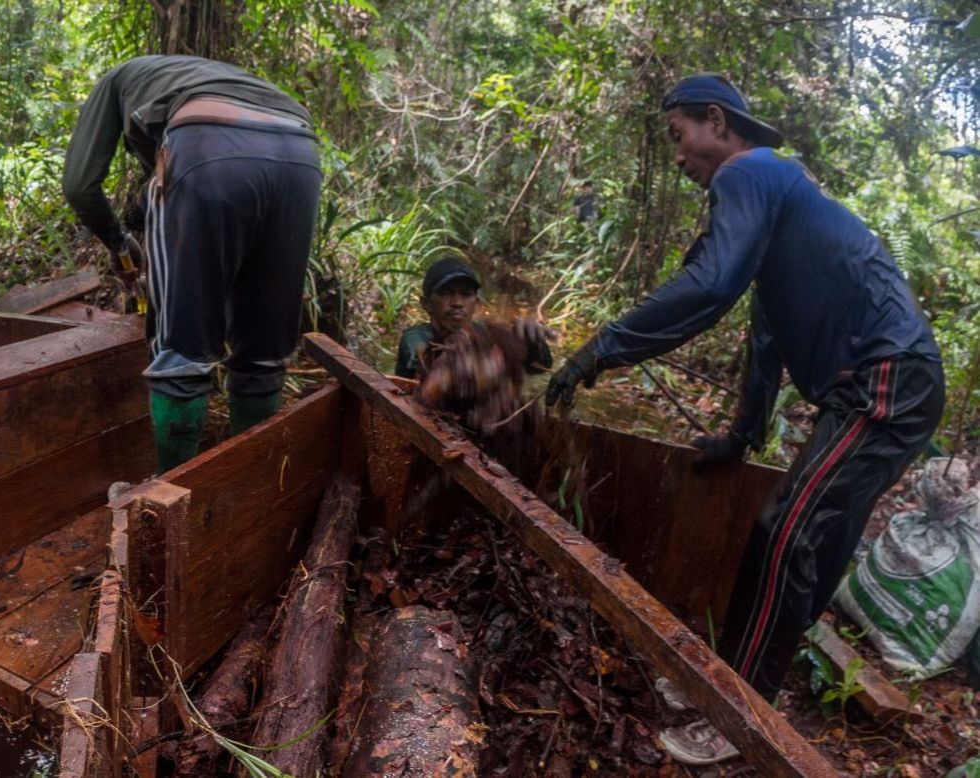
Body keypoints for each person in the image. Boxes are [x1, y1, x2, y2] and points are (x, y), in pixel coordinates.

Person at [544, 74, 944, 765]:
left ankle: (738, 713)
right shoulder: (777, 206)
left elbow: (709, 286)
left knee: (786, 532)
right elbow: (767, 344)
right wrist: (740, 435)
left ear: (716, 121)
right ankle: (731, 680)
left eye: (678, 137)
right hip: (883, 385)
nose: (678, 157)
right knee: (802, 539)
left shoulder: (750, 169)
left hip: (887, 381)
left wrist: (599, 349)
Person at [63, 55, 321, 471]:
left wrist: (117, 239)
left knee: (182, 351)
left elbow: (79, 185)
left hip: (206, 146)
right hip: (301, 157)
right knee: (263, 352)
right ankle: (252, 484)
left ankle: (172, 487)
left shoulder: (115, 81)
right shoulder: (213, 75)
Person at [394, 256, 553, 381]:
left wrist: (532, 342)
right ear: (426, 303)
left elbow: (539, 367)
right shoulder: (416, 336)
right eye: (445, 293)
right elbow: (423, 360)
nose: (457, 303)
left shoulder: (486, 334)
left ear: (476, 303)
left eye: (466, 294)